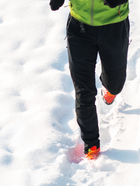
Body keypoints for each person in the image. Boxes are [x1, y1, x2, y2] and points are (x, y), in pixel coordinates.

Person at [49, 0, 130, 160]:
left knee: (116, 84)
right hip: (79, 27)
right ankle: (91, 143)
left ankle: (110, 89)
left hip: (114, 23)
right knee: (83, 90)